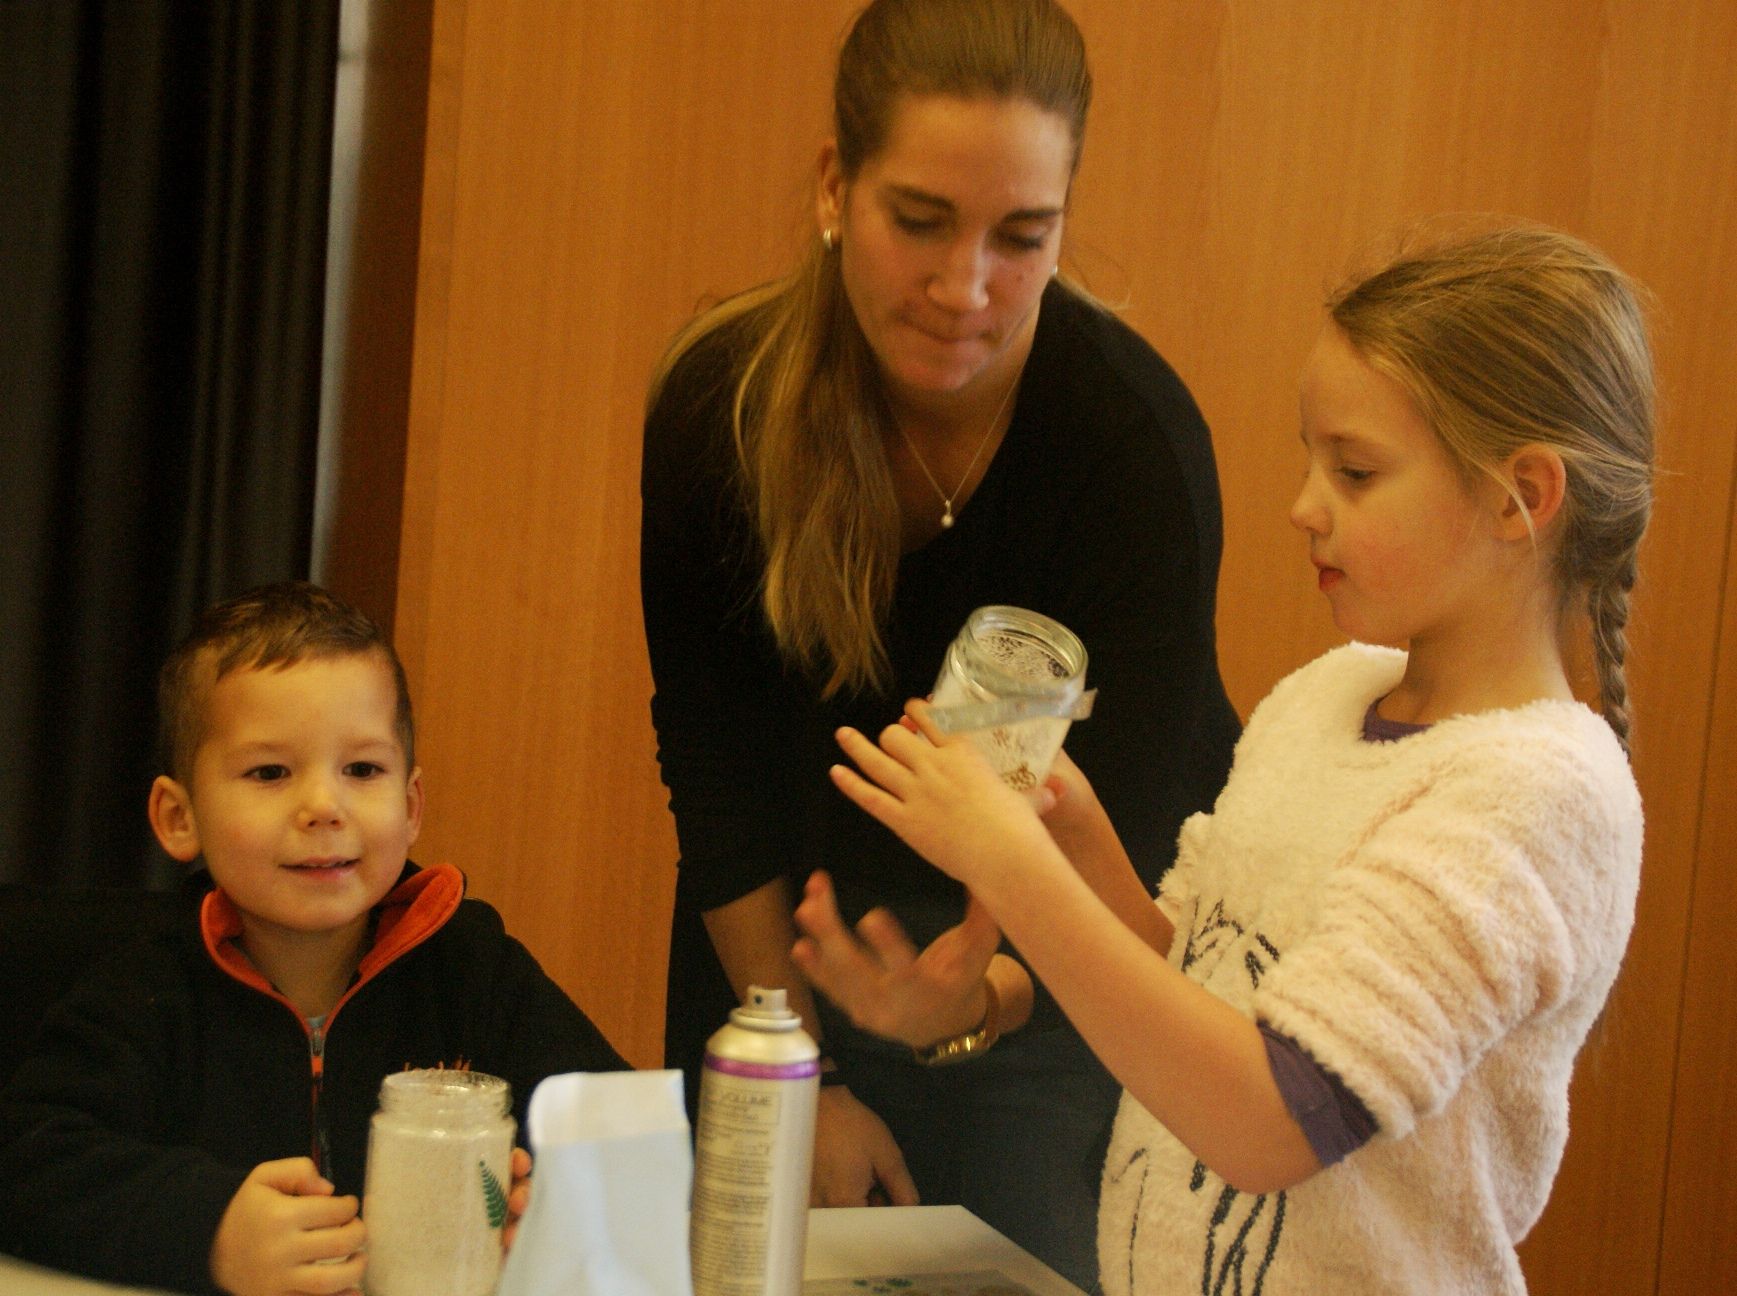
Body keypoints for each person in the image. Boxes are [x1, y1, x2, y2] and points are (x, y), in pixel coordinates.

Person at [810, 225, 1654, 1293]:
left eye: (1355, 471)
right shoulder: (1323, 698)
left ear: (1518, 496)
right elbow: (1198, 978)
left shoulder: (1538, 791)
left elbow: (1272, 1119)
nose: (1305, 506)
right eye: (1313, 462)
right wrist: (1069, 840)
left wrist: (1011, 868)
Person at [640, 0, 1239, 1285]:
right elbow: (717, 776)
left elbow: (1127, 852)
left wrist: (981, 997)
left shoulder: (1134, 449)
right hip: (783, 954)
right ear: (834, 186)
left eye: (1022, 237)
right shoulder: (720, 408)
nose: (965, 287)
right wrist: (798, 1074)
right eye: (919, 220)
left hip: (1064, 968)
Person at [0, 581, 626, 1296]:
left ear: (411, 805)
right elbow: (25, 1162)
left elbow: (616, 1125)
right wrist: (209, 1229)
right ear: (179, 817)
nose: (324, 807)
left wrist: (554, 1198)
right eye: (269, 772)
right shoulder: (146, 985)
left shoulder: (469, 965)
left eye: (362, 770)